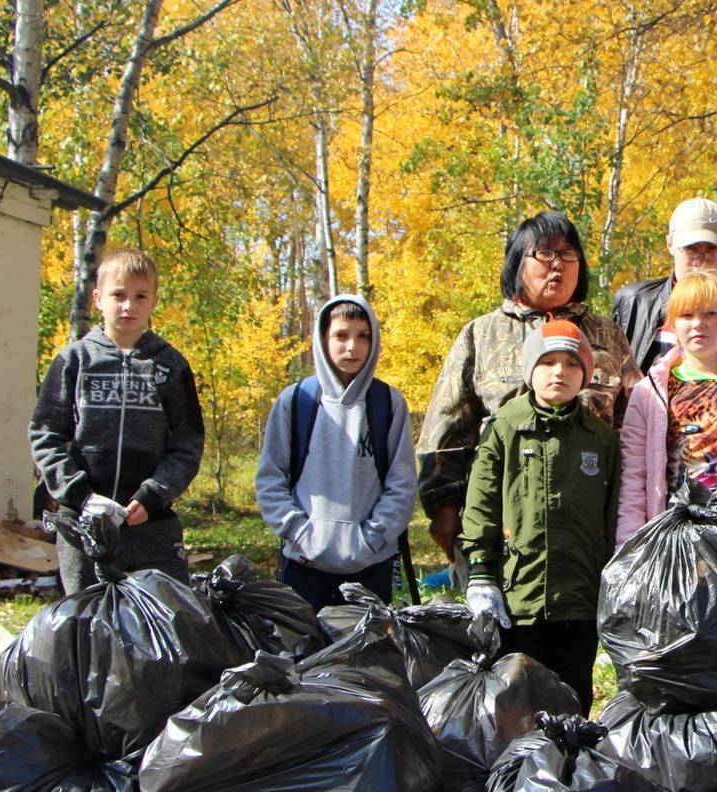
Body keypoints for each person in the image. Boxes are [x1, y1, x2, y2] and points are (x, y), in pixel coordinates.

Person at [417, 211, 634, 570]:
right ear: (518, 261)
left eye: (568, 255)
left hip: (593, 529)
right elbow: (446, 430)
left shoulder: (607, 335)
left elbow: (636, 426)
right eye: (545, 253)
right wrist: (445, 513)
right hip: (502, 527)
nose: (557, 266)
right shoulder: (482, 334)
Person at [460, 320, 619, 712]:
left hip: (579, 596)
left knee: (572, 694)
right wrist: (481, 570)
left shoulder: (600, 438)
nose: (559, 372)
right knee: (517, 698)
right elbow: (481, 501)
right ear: (531, 369)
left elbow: (614, 510)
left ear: (584, 374)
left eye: (571, 364)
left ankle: (567, 767)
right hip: (519, 596)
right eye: (548, 362)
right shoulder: (505, 427)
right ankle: (515, 768)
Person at [29, 247, 203, 593]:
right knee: (88, 620)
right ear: (97, 298)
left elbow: (187, 445)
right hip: (83, 523)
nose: (129, 306)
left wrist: (154, 495)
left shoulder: (170, 365)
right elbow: (45, 434)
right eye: (118, 295)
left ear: (153, 302)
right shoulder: (74, 360)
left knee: (161, 623)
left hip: (150, 525)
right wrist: (78, 494)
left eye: (140, 296)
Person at [254, 294, 418, 609]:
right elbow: (270, 477)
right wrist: (299, 533)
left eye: (362, 336)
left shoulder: (388, 403)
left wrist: (371, 539)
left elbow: (402, 484)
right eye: (341, 335)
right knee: (303, 652)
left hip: (370, 564)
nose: (352, 346)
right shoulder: (296, 400)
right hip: (304, 563)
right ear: (322, 339)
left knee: (366, 655)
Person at [617, 272, 717, 545]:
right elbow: (633, 479)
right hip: (671, 539)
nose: (699, 324)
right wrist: (629, 544)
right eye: (687, 315)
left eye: (711, 314)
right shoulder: (649, 392)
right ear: (672, 324)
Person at [612, 197, 717, 373]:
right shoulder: (634, 302)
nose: (701, 258)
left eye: (711, 249)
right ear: (670, 244)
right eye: (691, 248)